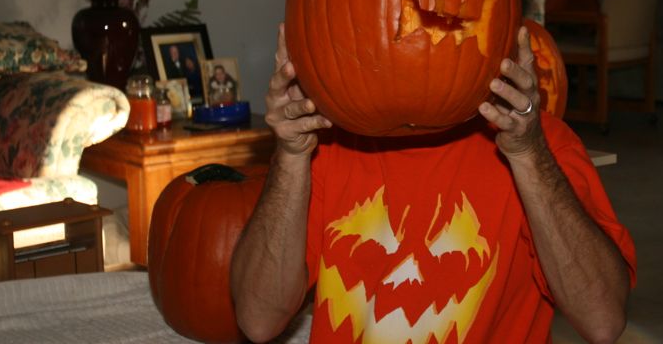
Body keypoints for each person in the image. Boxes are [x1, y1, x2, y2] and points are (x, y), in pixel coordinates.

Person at [231, 24, 636, 344]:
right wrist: (291, 154)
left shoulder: (542, 145)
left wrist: (529, 154)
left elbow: (602, 320)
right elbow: (258, 320)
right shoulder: (324, 145)